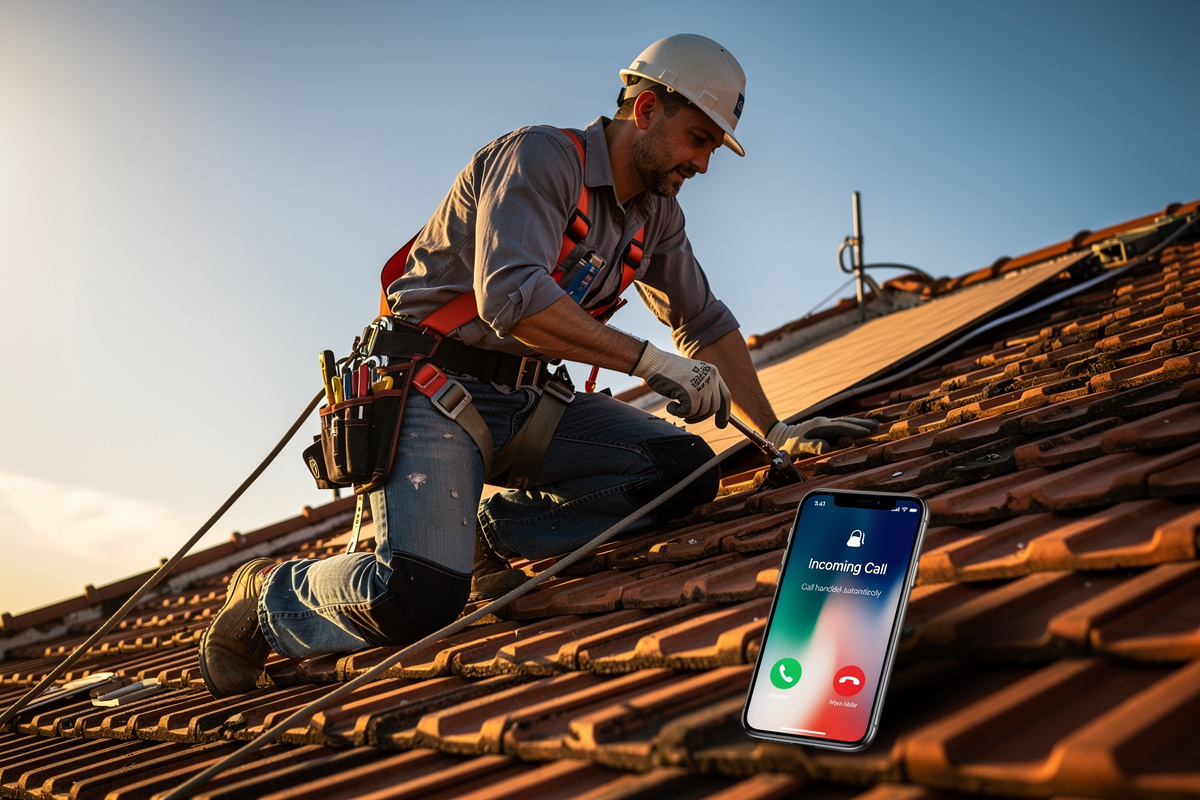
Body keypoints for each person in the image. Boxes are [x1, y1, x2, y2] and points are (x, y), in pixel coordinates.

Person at [198, 34, 877, 696]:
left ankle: (479, 531)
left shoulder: (657, 215)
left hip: (527, 403)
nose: (703, 164)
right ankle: (266, 599)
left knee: (684, 471)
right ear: (646, 111)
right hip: (430, 390)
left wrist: (778, 430)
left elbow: (702, 322)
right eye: (699, 139)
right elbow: (512, 299)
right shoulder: (541, 158)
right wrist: (653, 364)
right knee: (417, 594)